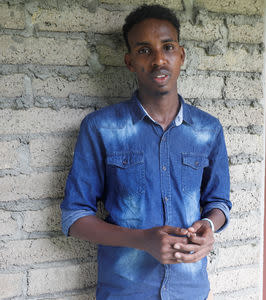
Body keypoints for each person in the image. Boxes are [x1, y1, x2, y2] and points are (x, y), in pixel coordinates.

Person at [60, 4, 231, 299]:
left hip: (190, 289)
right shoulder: (101, 128)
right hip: (125, 290)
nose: (158, 60)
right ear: (129, 62)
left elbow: (219, 202)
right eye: (144, 50)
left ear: (181, 55)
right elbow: (74, 218)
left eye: (168, 47)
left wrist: (208, 227)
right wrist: (142, 240)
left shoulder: (208, 130)